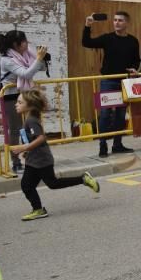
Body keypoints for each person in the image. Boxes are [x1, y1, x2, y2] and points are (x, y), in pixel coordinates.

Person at [10, 89, 100, 221]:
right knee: (31, 185)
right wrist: (27, 151)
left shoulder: (31, 121)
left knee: (47, 184)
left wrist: (24, 147)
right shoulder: (30, 119)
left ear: (29, 105)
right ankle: (38, 209)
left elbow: (41, 138)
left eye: (19, 102)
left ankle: (82, 179)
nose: (16, 104)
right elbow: (34, 139)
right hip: (35, 159)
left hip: (41, 160)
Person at [83, 12, 141, 157]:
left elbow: (137, 59)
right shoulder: (107, 38)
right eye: (115, 20)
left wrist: (134, 69)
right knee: (105, 114)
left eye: (120, 20)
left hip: (125, 81)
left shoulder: (133, 41)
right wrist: (87, 26)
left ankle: (117, 144)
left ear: (127, 23)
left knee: (121, 114)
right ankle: (103, 145)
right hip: (108, 81)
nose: (116, 23)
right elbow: (87, 42)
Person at [0, 30, 49, 174]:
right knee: (15, 129)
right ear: (16, 44)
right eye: (25, 41)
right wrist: (38, 59)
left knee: (28, 127)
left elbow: (42, 68)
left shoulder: (26, 54)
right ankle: (16, 161)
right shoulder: (6, 60)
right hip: (11, 97)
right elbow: (26, 74)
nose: (27, 44)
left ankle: (29, 156)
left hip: (25, 95)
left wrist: (42, 58)